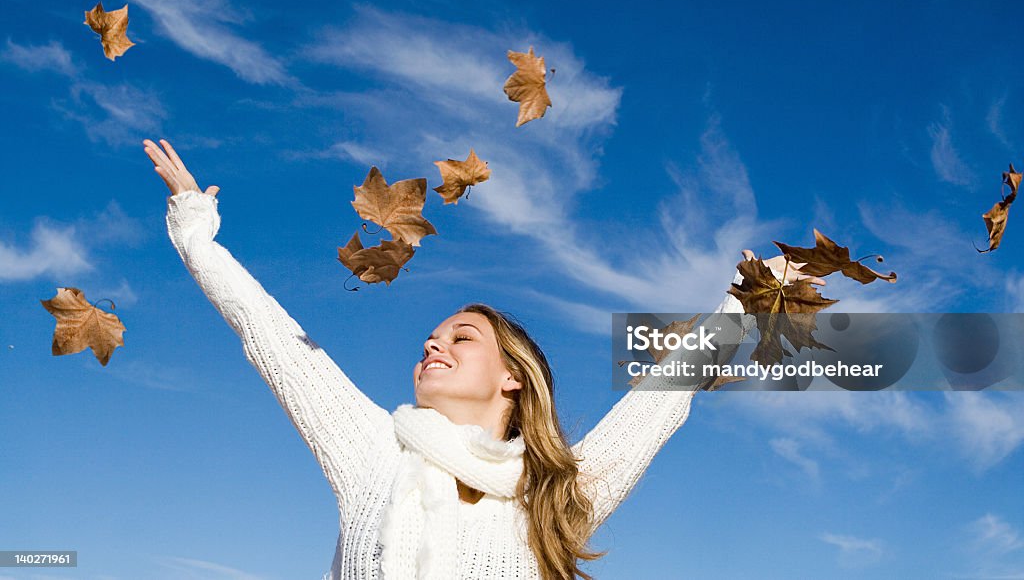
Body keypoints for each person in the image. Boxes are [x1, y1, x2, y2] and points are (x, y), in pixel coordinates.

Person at [143, 138, 822, 580]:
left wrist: (745, 304)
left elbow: (663, 396)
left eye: (461, 336)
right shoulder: (375, 453)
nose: (433, 343)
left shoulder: (555, 497)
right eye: (431, 338)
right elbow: (272, 339)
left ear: (512, 376)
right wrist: (196, 230)